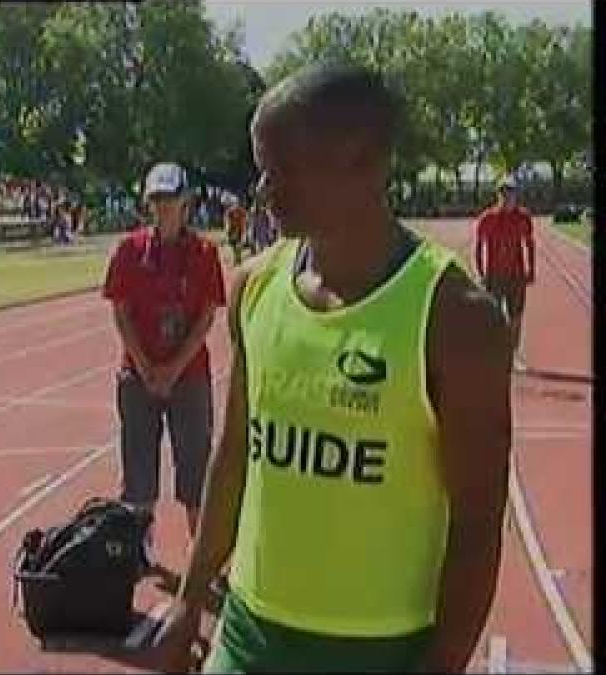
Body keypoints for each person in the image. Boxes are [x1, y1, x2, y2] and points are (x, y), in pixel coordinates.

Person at [155, 63, 512, 672]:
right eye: (262, 168)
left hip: (384, 649)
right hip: (249, 636)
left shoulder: (456, 318)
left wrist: (443, 663)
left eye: (285, 169)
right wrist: (190, 600)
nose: (265, 188)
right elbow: (235, 453)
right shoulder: (255, 287)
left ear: (365, 166)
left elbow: (478, 524)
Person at [102, 161, 227, 542]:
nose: (163, 207)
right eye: (156, 200)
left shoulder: (205, 253)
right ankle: (138, 553)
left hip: (188, 376)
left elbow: (206, 316)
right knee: (138, 473)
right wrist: (144, 365)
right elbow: (121, 313)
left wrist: (172, 369)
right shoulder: (129, 250)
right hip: (138, 376)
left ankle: (201, 557)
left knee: (196, 469)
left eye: (170, 199)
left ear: (186, 202)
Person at [474, 177, 535, 371]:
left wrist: (531, 269)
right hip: (494, 276)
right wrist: (481, 272)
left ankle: (513, 354)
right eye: (503, 193)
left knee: (516, 317)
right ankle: (492, 353)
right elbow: (479, 247)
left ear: (516, 195)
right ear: (498, 195)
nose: (507, 197)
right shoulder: (487, 218)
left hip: (516, 276)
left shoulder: (524, 217)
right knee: (493, 316)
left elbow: (529, 244)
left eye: (511, 192)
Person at [223, 198, 248, 264]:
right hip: (232, 229)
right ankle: (237, 258)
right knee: (234, 245)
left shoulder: (241, 211)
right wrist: (228, 230)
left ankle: (238, 258)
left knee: (238, 244)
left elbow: (244, 219)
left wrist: (243, 228)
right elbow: (227, 222)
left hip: (238, 229)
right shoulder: (229, 212)